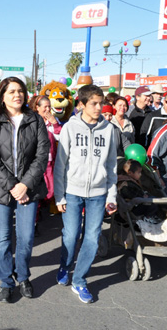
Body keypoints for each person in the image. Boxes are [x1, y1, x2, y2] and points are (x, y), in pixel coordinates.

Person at [0, 77, 49, 303]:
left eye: (20, 91)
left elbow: (42, 156)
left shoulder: (36, 120)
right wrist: (12, 185)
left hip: (28, 189)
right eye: (11, 91)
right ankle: (5, 281)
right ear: (2, 96)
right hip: (2, 189)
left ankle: (22, 277)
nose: (17, 95)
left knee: (27, 237)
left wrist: (25, 185)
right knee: (3, 239)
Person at [54, 84, 118, 304]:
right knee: (71, 236)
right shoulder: (69, 128)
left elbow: (111, 167)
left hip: (98, 193)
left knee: (91, 238)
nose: (99, 107)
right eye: (94, 103)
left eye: (101, 103)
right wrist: (59, 196)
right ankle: (65, 265)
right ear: (81, 105)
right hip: (72, 191)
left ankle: (79, 280)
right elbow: (60, 165)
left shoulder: (109, 130)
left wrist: (111, 196)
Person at [33, 96, 60, 215]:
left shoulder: (53, 121)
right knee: (36, 190)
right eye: (45, 107)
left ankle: (45, 206)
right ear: (37, 108)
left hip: (50, 162)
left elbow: (60, 137)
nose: (48, 109)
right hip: (36, 162)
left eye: (49, 106)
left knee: (51, 190)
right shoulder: (33, 121)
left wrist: (55, 124)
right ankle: (36, 219)